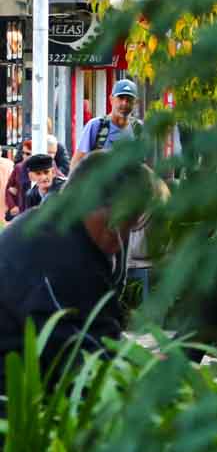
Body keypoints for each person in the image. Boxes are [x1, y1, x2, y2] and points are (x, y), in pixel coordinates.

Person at [0, 152, 142, 373]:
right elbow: (88, 352)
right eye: (126, 225)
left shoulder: (59, 229)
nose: (122, 239)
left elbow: (99, 330)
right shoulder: (55, 249)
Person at [75, 78, 143, 161]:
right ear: (111, 99)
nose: (124, 103)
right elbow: (77, 164)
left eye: (129, 99)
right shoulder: (96, 126)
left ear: (135, 103)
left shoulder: (139, 129)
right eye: (120, 98)